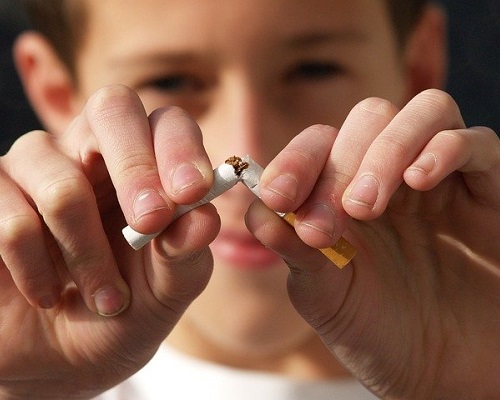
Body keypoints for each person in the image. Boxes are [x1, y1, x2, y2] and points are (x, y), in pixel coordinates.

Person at [0, 0, 498, 398]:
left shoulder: (480, 355)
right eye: (170, 81)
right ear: (59, 93)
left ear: (417, 68)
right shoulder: (32, 370)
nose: (251, 145)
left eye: (315, 69)